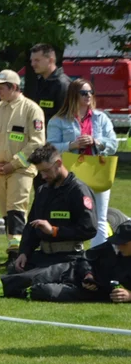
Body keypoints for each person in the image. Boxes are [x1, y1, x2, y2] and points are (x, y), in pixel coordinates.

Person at [0, 221, 131, 302]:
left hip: (88, 293)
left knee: (44, 291)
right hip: (72, 270)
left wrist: (128, 295)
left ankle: (13, 291)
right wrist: (88, 274)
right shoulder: (111, 247)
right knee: (32, 276)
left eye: (123, 243)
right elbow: (85, 258)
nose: (118, 246)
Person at [0, 69, 46, 266]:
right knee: (6, 212)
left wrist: (13, 164)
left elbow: (36, 142)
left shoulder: (31, 109)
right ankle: (13, 253)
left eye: (1, 88)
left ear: (14, 87)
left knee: (16, 211)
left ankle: (19, 255)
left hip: (21, 170)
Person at [48, 78, 118, 246]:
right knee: (72, 217)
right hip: (71, 175)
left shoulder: (101, 118)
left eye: (90, 92)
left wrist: (96, 142)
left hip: (96, 173)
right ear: (73, 95)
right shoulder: (58, 120)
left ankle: (98, 259)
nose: (88, 96)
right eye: (83, 93)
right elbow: (49, 148)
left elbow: (113, 144)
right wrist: (71, 145)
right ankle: (72, 256)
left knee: (99, 218)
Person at [8, 143, 98, 274]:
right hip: (44, 255)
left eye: (46, 171)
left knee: (31, 279)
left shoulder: (78, 191)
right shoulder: (43, 190)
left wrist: (54, 231)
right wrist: (24, 252)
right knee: (13, 271)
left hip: (68, 258)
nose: (43, 176)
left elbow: (89, 229)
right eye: (40, 172)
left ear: (58, 163)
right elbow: (32, 225)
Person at [28, 43, 72, 126]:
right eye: (32, 60)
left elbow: (67, 118)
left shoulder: (63, 84)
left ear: (51, 60)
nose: (32, 64)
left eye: (37, 60)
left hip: (55, 136)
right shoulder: (40, 82)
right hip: (40, 133)